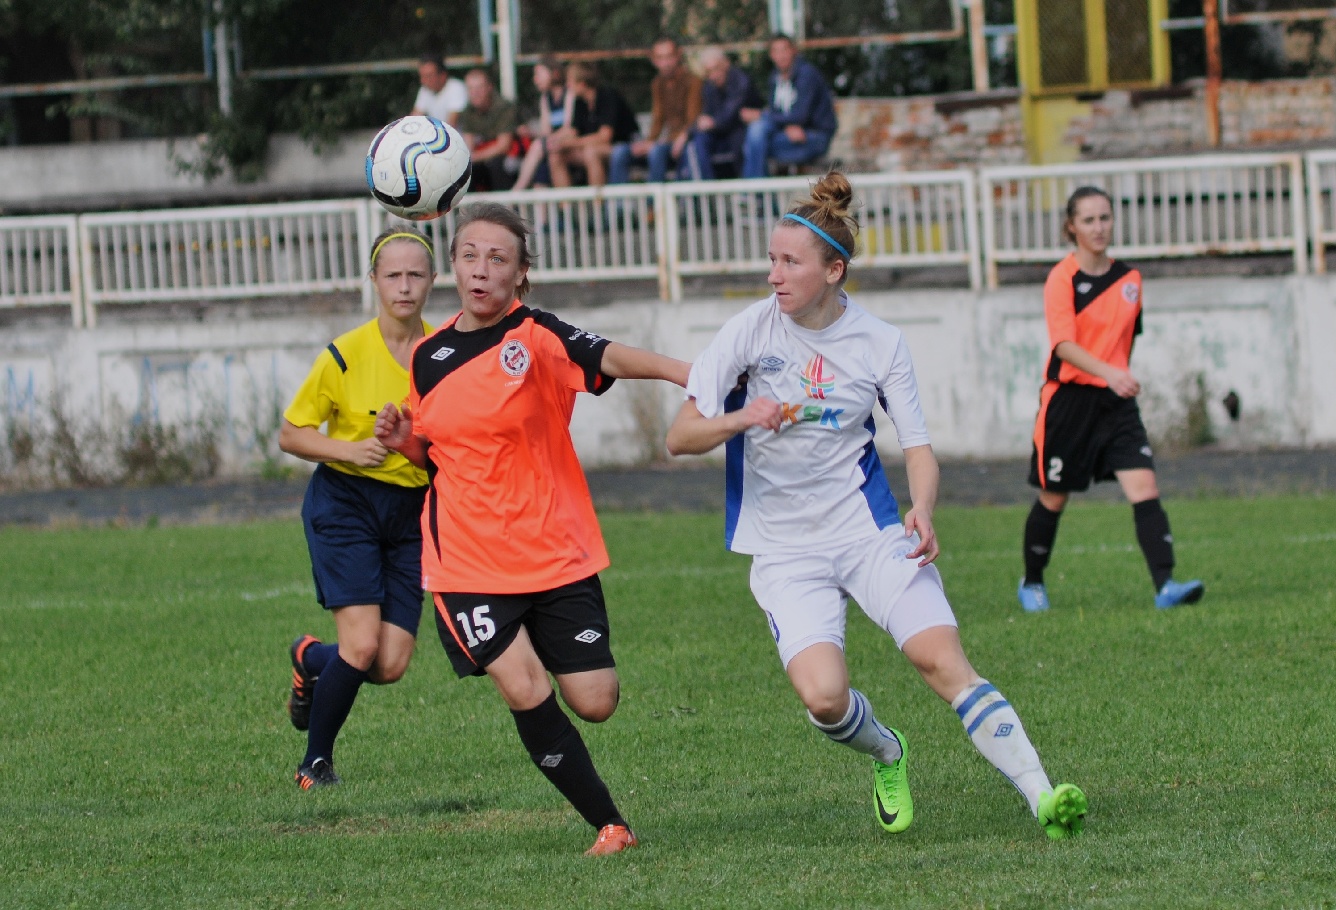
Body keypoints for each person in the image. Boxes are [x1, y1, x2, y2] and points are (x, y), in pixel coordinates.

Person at [665, 172, 1088, 840]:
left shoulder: (880, 342)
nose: (774, 276)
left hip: (869, 532)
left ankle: (1043, 795)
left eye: (790, 263)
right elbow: (680, 437)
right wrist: (743, 416)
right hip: (782, 548)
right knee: (824, 699)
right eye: (772, 260)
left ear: (833, 271)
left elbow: (918, 447)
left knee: (941, 661)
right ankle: (888, 752)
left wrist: (923, 506)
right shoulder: (747, 331)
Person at [373, 202, 690, 855]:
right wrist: (406, 441)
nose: (480, 270)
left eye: (497, 259)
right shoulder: (429, 356)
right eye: (468, 256)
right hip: (465, 559)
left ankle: (536, 644)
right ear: (452, 265)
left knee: (596, 700)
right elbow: (436, 454)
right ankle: (611, 825)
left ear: (520, 273)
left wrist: (688, 373)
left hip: (552, 549)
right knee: (522, 685)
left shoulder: (536, 335)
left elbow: (608, 356)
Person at [279, 228, 435, 790]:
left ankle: (310, 659)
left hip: (412, 512)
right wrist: (349, 450)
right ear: (373, 281)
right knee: (362, 644)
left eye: (415, 275)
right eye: (393, 275)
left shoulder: (445, 354)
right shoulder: (344, 354)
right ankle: (314, 764)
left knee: (388, 664)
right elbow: (291, 433)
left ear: (432, 281)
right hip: (346, 501)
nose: (404, 286)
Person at [1019, 186, 1206, 613]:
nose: (1099, 227)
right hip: (1068, 401)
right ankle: (1032, 583)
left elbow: (1124, 340)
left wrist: (1116, 378)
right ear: (1071, 227)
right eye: (1088, 220)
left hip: (1115, 404)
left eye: (1105, 218)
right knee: (1055, 496)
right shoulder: (1061, 278)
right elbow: (1063, 345)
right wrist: (1109, 373)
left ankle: (1166, 586)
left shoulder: (1130, 280)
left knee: (1145, 486)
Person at [741, 35, 838, 179]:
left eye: (784, 50)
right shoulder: (774, 78)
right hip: (788, 134)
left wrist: (762, 115)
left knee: (755, 145)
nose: (781, 56)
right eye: (776, 51)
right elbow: (776, 112)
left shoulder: (807, 74)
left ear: (794, 51)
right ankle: (758, 189)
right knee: (756, 134)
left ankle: (755, 190)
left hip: (812, 135)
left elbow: (801, 115)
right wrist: (786, 126)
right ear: (771, 55)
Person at [547, 62, 638, 188]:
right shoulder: (580, 102)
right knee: (556, 156)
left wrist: (570, 143)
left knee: (591, 153)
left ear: (582, 84)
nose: (567, 85)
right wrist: (557, 142)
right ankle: (566, 200)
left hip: (624, 146)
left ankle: (597, 199)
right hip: (595, 148)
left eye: (570, 81)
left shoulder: (607, 96)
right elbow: (574, 131)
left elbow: (604, 137)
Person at [628, 37, 701, 183]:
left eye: (669, 57)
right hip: (667, 141)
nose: (665, 63)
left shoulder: (693, 81)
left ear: (678, 56)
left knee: (656, 151)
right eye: (660, 58)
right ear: (654, 60)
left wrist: (658, 143)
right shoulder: (657, 83)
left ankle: (654, 197)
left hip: (687, 140)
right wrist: (648, 142)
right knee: (621, 153)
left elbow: (693, 119)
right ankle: (618, 198)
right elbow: (658, 118)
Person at [686, 46, 763, 180]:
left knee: (743, 139)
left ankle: (747, 186)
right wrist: (698, 126)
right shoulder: (709, 86)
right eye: (708, 71)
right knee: (698, 140)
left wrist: (713, 122)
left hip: (740, 129)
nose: (713, 75)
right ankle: (705, 187)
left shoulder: (741, 80)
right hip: (719, 132)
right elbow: (706, 114)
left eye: (716, 68)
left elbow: (733, 115)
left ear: (726, 63)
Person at [511, 55, 574, 191]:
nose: (535, 79)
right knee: (541, 170)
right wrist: (530, 132)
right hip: (551, 144)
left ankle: (518, 189)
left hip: (567, 142)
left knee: (539, 146)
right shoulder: (545, 98)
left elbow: (569, 128)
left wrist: (548, 139)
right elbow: (546, 131)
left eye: (539, 74)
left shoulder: (569, 94)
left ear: (555, 73)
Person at [459, 67, 520, 193]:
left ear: (489, 87)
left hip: (511, 156)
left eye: (479, 88)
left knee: (496, 165)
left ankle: (504, 204)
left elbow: (504, 146)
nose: (475, 93)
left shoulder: (503, 107)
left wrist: (474, 157)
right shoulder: (468, 111)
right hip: (485, 155)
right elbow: (469, 146)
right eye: (471, 89)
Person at [411, 53, 467, 129]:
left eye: (429, 76)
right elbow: (414, 120)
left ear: (443, 75)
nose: (423, 81)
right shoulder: (425, 90)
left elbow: (451, 125)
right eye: (422, 76)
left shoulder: (456, 88)